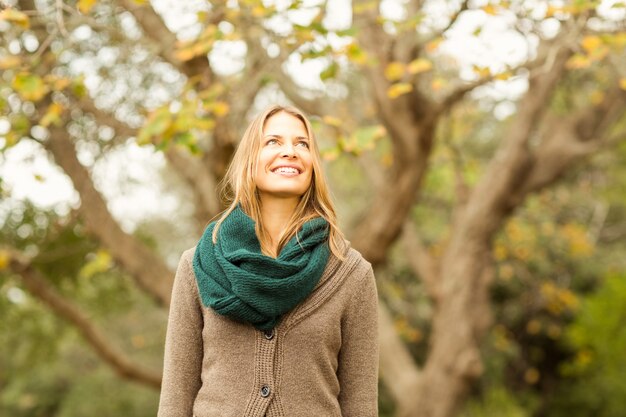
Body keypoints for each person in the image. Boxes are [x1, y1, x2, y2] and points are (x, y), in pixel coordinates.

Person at [157, 105, 379, 417]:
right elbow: (175, 400)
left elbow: (361, 405)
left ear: (313, 164)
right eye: (273, 142)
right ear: (250, 159)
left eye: (302, 144)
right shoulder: (197, 265)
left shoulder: (351, 273)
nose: (290, 151)